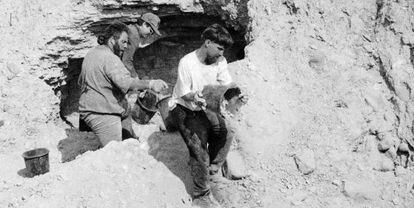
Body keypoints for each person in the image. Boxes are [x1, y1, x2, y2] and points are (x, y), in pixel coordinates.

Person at [167, 23, 234, 208]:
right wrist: (194, 97)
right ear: (208, 42)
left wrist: (236, 95)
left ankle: (212, 170)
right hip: (184, 108)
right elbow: (184, 93)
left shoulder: (220, 61)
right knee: (198, 147)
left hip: (205, 107)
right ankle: (201, 195)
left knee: (227, 132)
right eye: (219, 48)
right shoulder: (187, 62)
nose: (221, 53)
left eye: (223, 50)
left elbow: (227, 85)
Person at [78, 21, 168, 147]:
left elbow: (83, 81)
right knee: (114, 151)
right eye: (123, 42)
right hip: (102, 113)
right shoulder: (111, 58)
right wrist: (150, 84)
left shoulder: (92, 53)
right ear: (112, 41)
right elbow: (126, 82)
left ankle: (130, 139)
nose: (126, 46)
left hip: (88, 107)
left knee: (125, 110)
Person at [122, 12, 161, 78]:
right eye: (151, 31)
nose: (150, 34)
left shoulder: (132, 28)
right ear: (145, 24)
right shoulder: (134, 35)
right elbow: (126, 61)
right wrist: (135, 77)